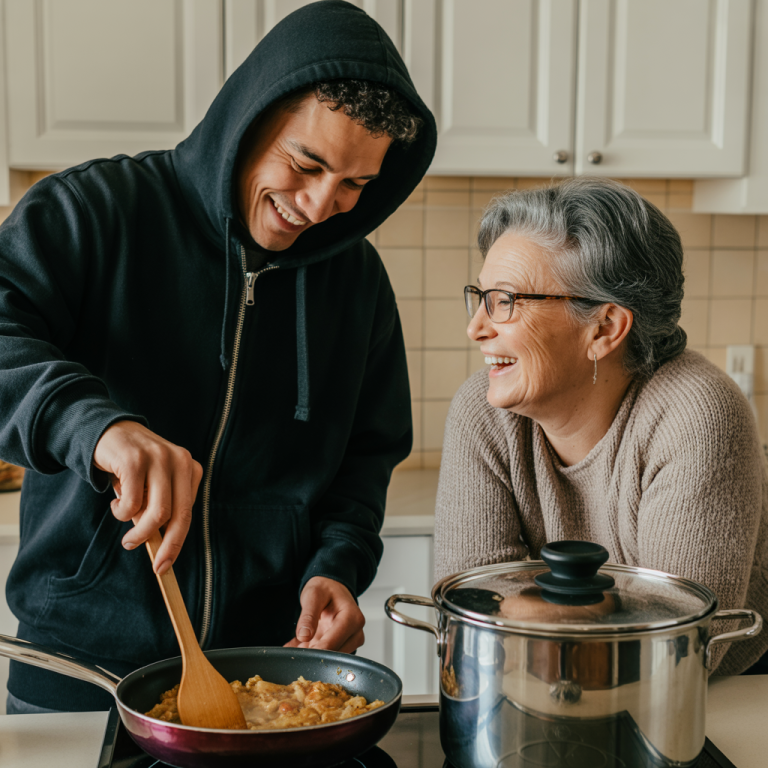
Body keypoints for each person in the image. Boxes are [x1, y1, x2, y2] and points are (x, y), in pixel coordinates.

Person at [0, 0, 437, 713]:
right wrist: (95, 427)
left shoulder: (356, 283)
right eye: (307, 164)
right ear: (248, 116)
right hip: (78, 675)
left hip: (263, 682)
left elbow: (364, 461)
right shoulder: (92, 212)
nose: (320, 205)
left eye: (355, 184)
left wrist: (336, 566)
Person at [433, 177, 768, 674]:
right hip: (544, 684)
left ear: (604, 327)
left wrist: (520, 615)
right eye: (480, 296)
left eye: (505, 301)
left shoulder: (697, 414)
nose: (476, 327)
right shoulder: (482, 412)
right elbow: (467, 621)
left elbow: (680, 648)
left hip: (726, 693)